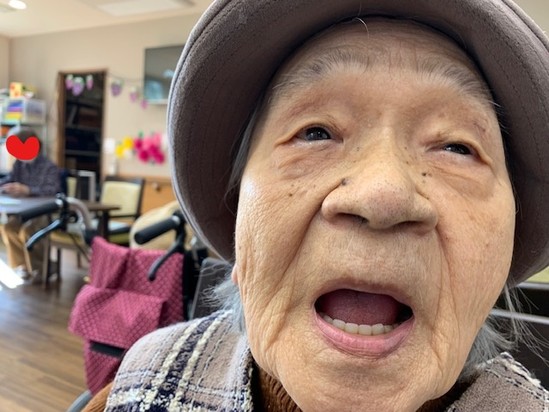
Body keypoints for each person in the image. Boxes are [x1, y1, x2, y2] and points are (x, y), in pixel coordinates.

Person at [88, 0, 549, 410]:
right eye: (315, 133)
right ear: (239, 226)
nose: (382, 195)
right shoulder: (141, 385)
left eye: (456, 147)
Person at [0, 126, 60, 282]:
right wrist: (6, 187)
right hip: (25, 210)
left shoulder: (49, 167)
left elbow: (53, 190)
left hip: (45, 212)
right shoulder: (19, 164)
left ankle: (42, 268)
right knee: (8, 228)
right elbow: (9, 179)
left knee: (29, 230)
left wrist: (27, 189)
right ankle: (23, 266)